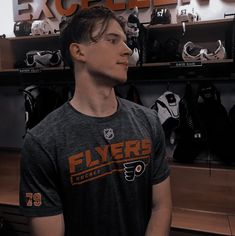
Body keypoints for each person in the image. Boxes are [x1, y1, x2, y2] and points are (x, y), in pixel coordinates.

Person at [19, 6, 172, 236]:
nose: (127, 50)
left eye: (125, 41)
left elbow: (161, 206)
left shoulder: (149, 122)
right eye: (112, 40)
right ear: (78, 52)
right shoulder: (42, 142)